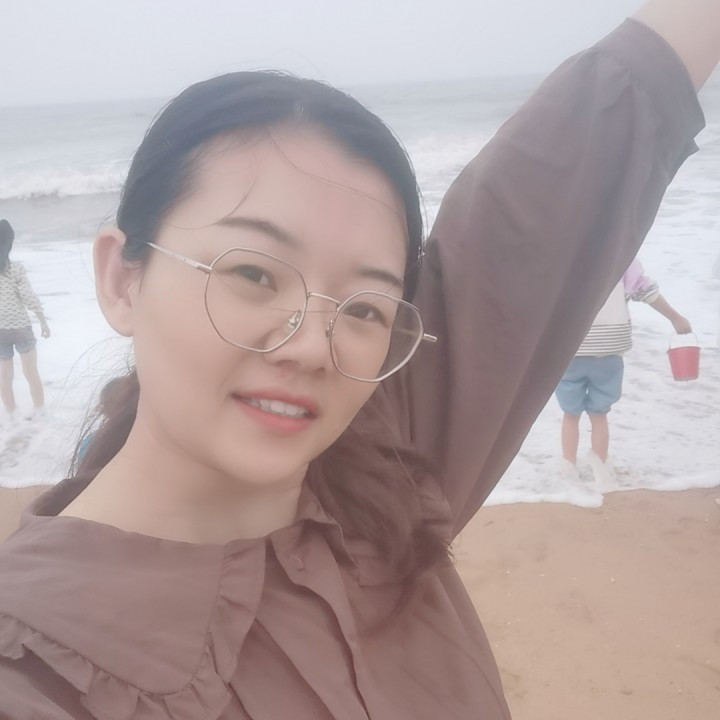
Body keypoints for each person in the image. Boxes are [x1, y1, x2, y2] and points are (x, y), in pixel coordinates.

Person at [0, 2, 717, 718]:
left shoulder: (385, 473)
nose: (315, 345)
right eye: (253, 273)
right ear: (122, 279)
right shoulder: (35, 675)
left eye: (366, 307)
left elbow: (559, 178)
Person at [555, 258, 692, 489]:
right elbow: (647, 291)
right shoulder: (622, 257)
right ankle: (601, 467)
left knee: (570, 414)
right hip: (610, 351)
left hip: (571, 349)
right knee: (599, 413)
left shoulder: (566, 256)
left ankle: (568, 468)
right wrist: (675, 317)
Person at [0, 219, 50, 419]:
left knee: (4, 377)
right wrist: (42, 320)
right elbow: (28, 296)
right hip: (21, 327)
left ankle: (12, 417)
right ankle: (40, 412)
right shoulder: (15, 269)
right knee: (31, 373)